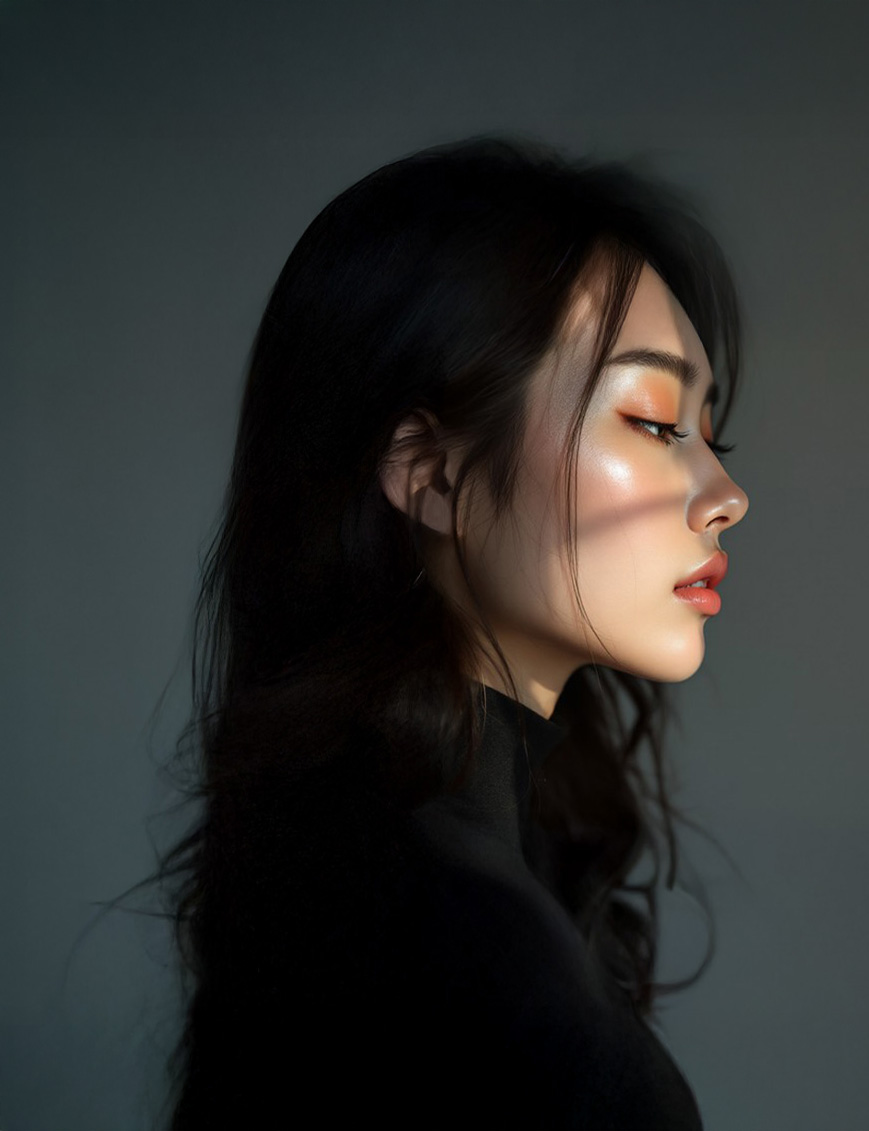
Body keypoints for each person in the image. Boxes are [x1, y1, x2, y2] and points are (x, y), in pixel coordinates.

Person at [157, 134, 750, 1129]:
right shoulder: (459, 938)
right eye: (652, 422)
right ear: (429, 473)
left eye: (708, 432)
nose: (725, 495)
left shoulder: (375, 875)